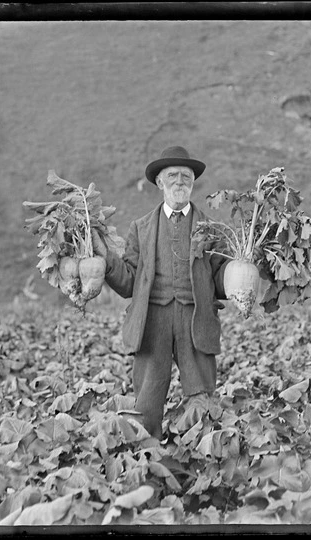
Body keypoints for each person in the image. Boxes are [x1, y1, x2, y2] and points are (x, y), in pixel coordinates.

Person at [92, 146, 229, 440]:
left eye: (186, 176)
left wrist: (243, 275)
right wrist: (105, 261)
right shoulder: (140, 228)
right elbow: (129, 281)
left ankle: (200, 452)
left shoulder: (212, 228)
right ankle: (146, 455)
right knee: (147, 399)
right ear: (160, 183)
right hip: (153, 319)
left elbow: (220, 277)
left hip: (196, 319)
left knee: (202, 394)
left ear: (193, 182)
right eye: (173, 176)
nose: (180, 182)